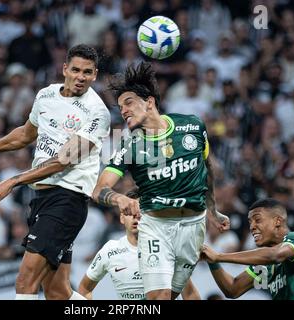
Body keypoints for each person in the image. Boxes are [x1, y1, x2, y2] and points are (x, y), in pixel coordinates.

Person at [0, 44, 111, 300]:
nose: (80, 77)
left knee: (25, 282)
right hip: (41, 200)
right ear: (65, 69)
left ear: (95, 75)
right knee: (57, 292)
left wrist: (12, 181)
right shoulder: (46, 95)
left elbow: (63, 160)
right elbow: (25, 134)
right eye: (76, 70)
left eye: (87, 72)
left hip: (67, 200)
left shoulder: (97, 112)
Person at [91, 62, 229, 300]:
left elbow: (206, 167)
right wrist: (119, 197)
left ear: (150, 102)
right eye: (120, 106)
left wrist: (213, 210)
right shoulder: (130, 144)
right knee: (160, 297)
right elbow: (99, 189)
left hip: (194, 228)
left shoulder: (193, 125)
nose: (123, 111)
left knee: (169, 297)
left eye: (129, 102)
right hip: (156, 228)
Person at [78, 190, 200, 300]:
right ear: (121, 218)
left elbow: (190, 294)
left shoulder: (167, 248)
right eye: (129, 212)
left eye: (141, 212)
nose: (135, 217)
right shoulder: (110, 250)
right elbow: (84, 289)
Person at [201, 198, 294, 300]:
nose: (252, 227)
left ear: (277, 221)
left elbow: (275, 255)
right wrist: (213, 262)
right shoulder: (265, 265)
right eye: (250, 222)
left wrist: (219, 256)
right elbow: (233, 289)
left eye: (258, 220)